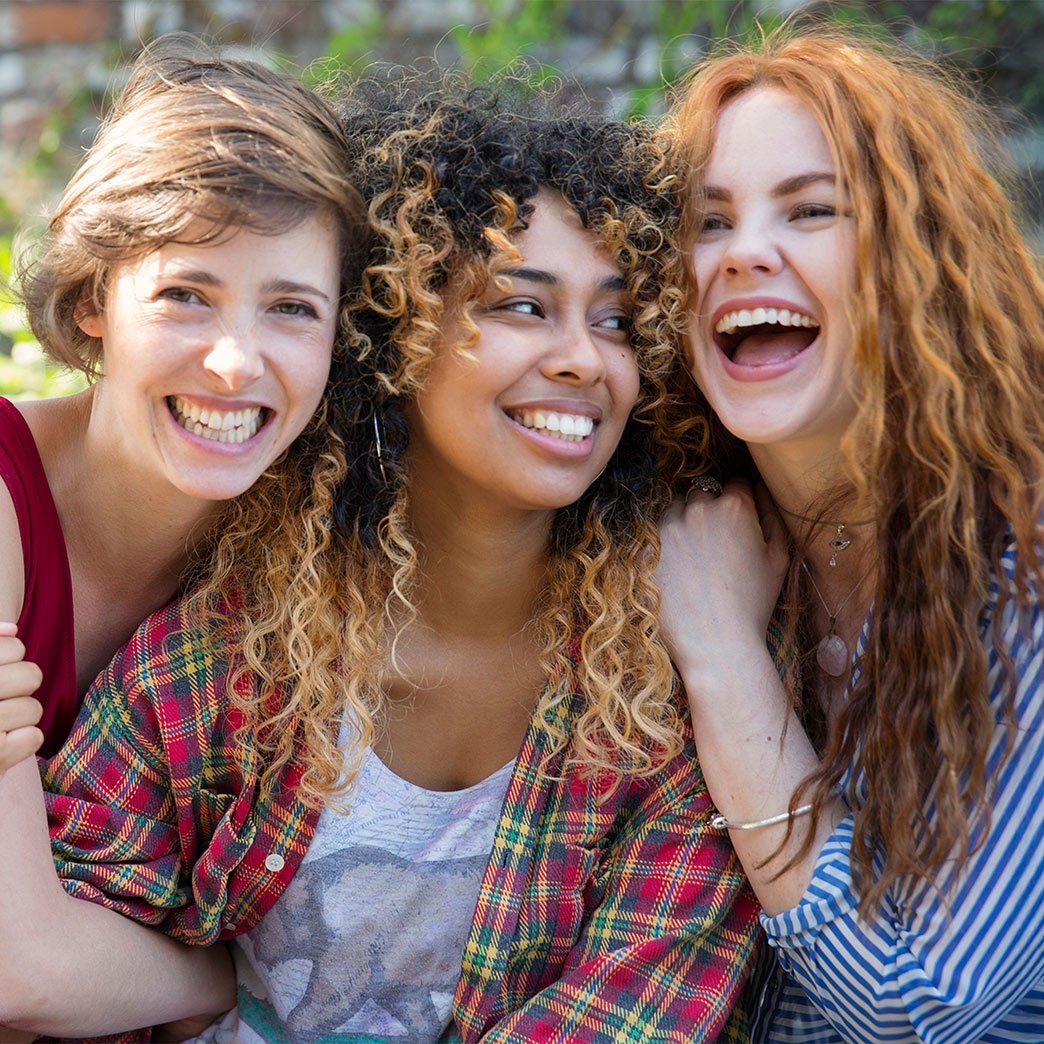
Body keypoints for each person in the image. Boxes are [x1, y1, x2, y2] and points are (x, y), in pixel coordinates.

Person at [3, 79, 761, 1041]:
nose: (584, 358)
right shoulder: (217, 664)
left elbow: (642, 1007)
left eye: (616, 321)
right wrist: (207, 993)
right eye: (524, 306)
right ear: (394, 335)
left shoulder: (658, 694)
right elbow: (44, 971)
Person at [657, 26, 1044, 1042]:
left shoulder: (1026, 564)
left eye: (812, 209)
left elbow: (918, 1002)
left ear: (919, 256)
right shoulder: (657, 531)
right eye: (707, 221)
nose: (745, 252)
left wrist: (721, 653)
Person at [0, 37, 368, 1034]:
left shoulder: (296, 566)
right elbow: (18, 969)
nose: (235, 360)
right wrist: (218, 986)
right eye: (184, 294)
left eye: (291, 308)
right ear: (93, 301)